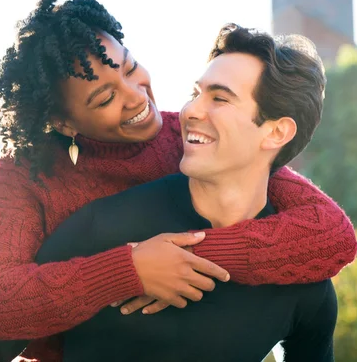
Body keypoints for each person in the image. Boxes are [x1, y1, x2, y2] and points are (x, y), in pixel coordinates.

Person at [0, 0, 357, 362]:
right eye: (106, 97)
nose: (136, 96)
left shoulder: (188, 138)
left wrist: (185, 258)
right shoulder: (26, 173)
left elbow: (329, 231)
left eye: (130, 69)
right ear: (63, 122)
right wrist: (130, 270)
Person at [35, 23, 338, 362]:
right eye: (196, 93)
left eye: (220, 98)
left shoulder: (304, 280)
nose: (190, 110)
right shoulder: (103, 226)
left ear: (276, 132)